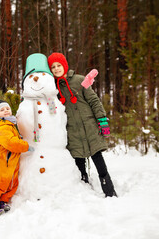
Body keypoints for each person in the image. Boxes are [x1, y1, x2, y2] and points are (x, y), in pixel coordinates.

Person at [47, 52, 117, 197]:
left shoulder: (79, 80)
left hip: (89, 127)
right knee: (79, 163)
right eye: (53, 67)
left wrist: (102, 121)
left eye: (59, 65)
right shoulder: (52, 88)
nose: (56, 69)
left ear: (64, 65)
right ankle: (84, 193)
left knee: (98, 159)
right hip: (72, 131)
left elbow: (94, 101)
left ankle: (109, 191)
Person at [0, 100, 33, 218]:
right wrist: (26, 146)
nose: (6, 111)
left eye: (7, 108)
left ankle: (1, 202)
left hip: (9, 163)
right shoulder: (1, 128)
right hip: (2, 163)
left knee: (11, 184)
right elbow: (11, 143)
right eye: (2, 110)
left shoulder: (9, 125)